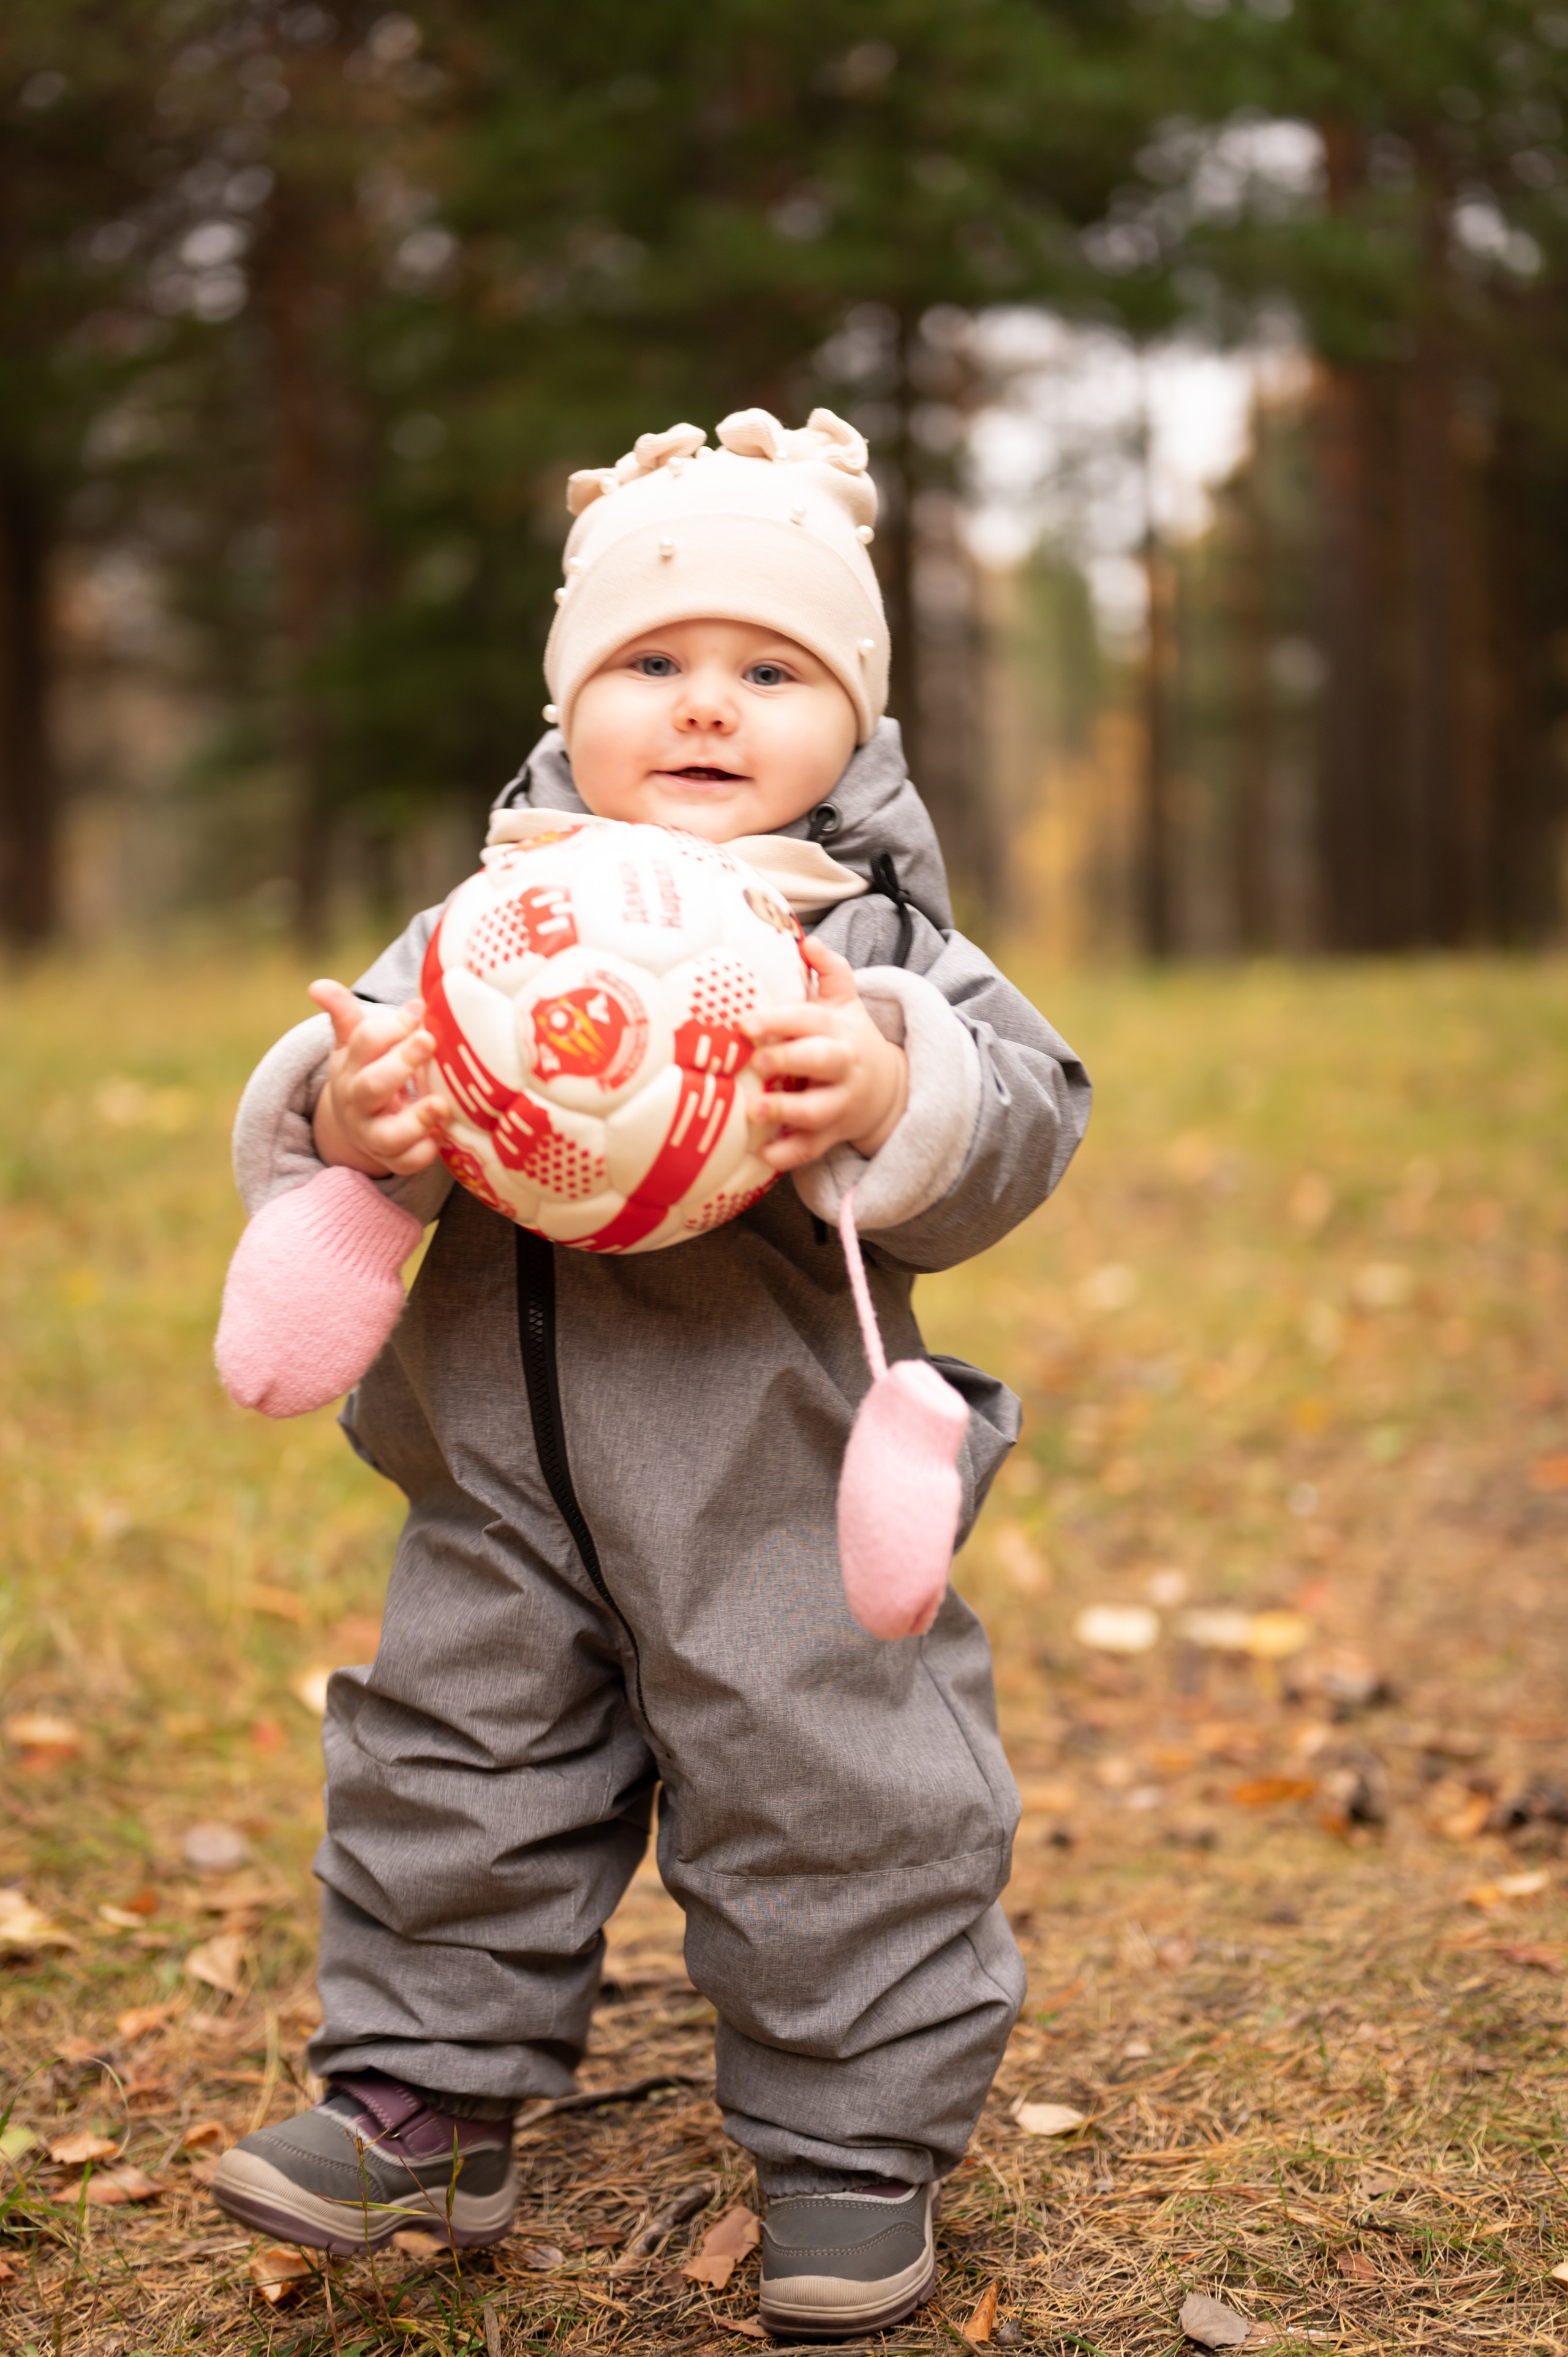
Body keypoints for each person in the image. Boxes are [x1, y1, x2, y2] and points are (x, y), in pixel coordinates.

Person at [208, 407, 1090, 2342]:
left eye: (770, 672)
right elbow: (336, 1079)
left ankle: (858, 2149)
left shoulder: (869, 942)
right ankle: (427, 2100)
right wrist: (351, 1109)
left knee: (836, 1793)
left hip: (768, 1487)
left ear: (850, 718)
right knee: (452, 1761)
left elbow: (1026, 1119)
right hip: (501, 1481)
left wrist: (891, 1085)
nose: (706, 706)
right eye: (652, 663)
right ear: (573, 698)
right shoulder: (495, 922)